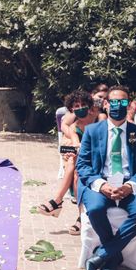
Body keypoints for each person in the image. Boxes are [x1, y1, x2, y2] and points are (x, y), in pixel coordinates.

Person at [76, 85, 136, 270]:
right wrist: (101, 185)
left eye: (123, 102)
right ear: (106, 104)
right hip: (101, 183)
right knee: (94, 209)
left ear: (129, 105)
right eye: (114, 102)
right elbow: (83, 165)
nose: (118, 106)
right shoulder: (92, 131)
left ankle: (103, 254)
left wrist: (130, 186)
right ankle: (114, 256)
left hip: (130, 184)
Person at [38, 89, 99, 235]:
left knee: (74, 163)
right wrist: (72, 149)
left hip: (100, 158)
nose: (80, 108)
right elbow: (76, 144)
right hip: (83, 161)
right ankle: (81, 217)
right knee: (75, 167)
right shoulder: (73, 127)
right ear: (71, 109)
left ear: (89, 106)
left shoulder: (99, 119)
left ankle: (58, 201)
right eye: (76, 106)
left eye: (83, 104)